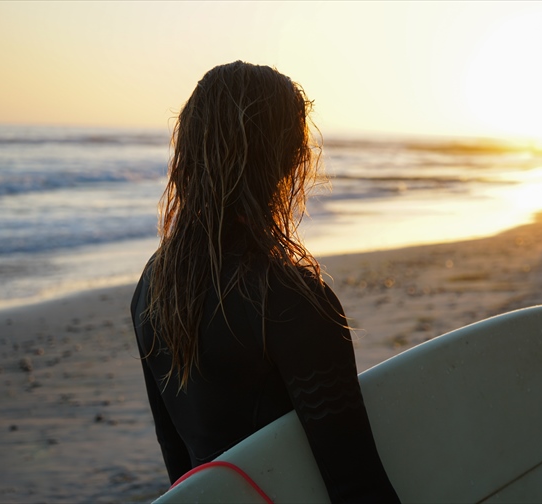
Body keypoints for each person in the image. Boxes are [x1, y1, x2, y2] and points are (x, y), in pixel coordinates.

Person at [130, 61, 400, 503]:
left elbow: (182, 475)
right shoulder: (293, 302)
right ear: (290, 156)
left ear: (189, 152)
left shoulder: (153, 286)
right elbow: (357, 486)